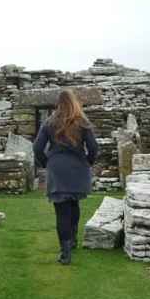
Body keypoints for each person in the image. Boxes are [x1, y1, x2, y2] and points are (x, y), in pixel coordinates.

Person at [33, 89, 98, 265]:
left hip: (57, 168)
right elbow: (93, 147)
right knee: (74, 203)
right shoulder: (82, 121)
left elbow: (37, 148)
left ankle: (65, 252)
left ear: (58, 104)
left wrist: (46, 163)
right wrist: (88, 162)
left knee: (62, 210)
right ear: (74, 102)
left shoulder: (49, 122)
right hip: (78, 167)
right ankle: (73, 239)